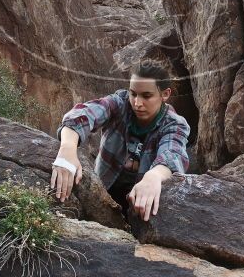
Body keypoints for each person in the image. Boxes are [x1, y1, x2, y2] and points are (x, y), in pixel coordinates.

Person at [50, 60, 191, 221]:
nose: (137, 103)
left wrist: (154, 176)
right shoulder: (119, 103)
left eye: (146, 96)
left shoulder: (174, 124)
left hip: (140, 200)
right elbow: (81, 115)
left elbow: (173, 154)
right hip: (103, 190)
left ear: (165, 94)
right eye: (133, 93)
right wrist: (67, 149)